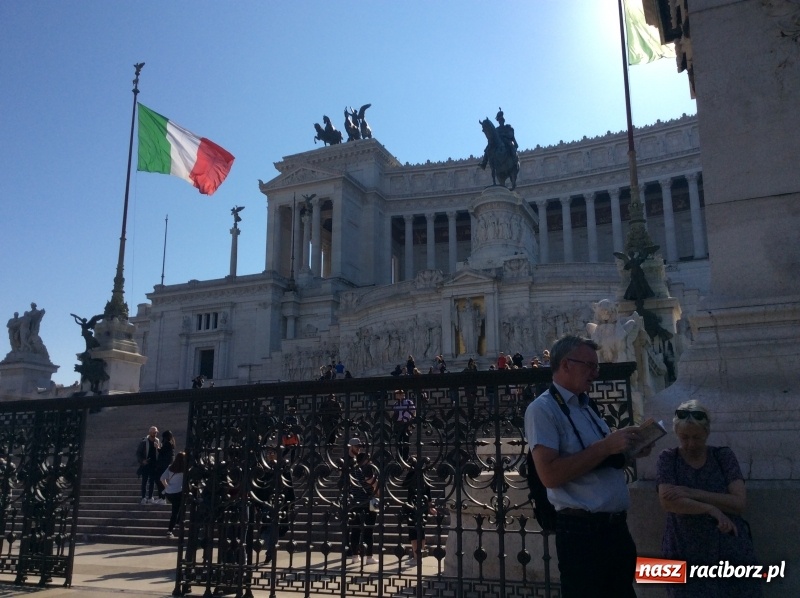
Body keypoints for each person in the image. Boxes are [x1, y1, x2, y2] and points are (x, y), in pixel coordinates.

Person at [525, 335, 652, 598]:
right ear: (566, 365)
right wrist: (605, 447)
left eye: (597, 367)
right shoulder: (543, 409)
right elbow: (549, 475)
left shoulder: (586, 406)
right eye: (590, 366)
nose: (595, 373)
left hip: (615, 530)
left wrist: (629, 452)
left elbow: (596, 461)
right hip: (582, 535)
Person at [656, 401, 761, 598]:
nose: (690, 444)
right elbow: (668, 501)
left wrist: (691, 492)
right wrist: (712, 509)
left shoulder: (723, 456)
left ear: (707, 433)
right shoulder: (668, 458)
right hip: (683, 545)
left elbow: (738, 502)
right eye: (684, 437)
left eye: (696, 437)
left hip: (727, 548)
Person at [402, 458, 437, 568]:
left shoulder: (411, 474)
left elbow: (404, 485)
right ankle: (419, 555)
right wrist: (430, 507)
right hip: (423, 505)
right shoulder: (424, 475)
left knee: (413, 531)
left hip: (412, 505)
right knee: (421, 530)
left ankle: (416, 557)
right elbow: (429, 493)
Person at [161, 451, 186, 538]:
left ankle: (178, 522)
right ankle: (170, 530)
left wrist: (167, 486)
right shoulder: (184, 469)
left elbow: (162, 478)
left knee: (178, 507)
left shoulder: (170, 467)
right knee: (176, 511)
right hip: (178, 492)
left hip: (169, 493)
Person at [136, 426, 161, 505]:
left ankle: (150, 497)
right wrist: (142, 461)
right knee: (144, 481)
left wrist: (158, 448)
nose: (154, 434)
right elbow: (138, 453)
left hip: (154, 464)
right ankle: (143, 497)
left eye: (155, 432)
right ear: (149, 433)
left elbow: (160, 452)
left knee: (152, 481)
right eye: (153, 432)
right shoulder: (144, 441)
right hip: (146, 464)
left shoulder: (157, 441)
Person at [153, 430, 176, 504]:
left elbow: (162, 451)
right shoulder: (171, 443)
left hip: (163, 466)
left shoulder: (168, 444)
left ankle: (162, 497)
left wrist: (157, 447)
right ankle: (161, 497)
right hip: (164, 465)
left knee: (159, 480)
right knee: (159, 480)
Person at [392, 390, 415, 461]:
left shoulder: (409, 402)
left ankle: (405, 457)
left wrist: (410, 421)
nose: (396, 396)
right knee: (398, 441)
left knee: (405, 441)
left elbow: (413, 411)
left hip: (406, 424)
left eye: (397, 394)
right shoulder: (396, 404)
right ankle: (399, 456)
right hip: (398, 424)